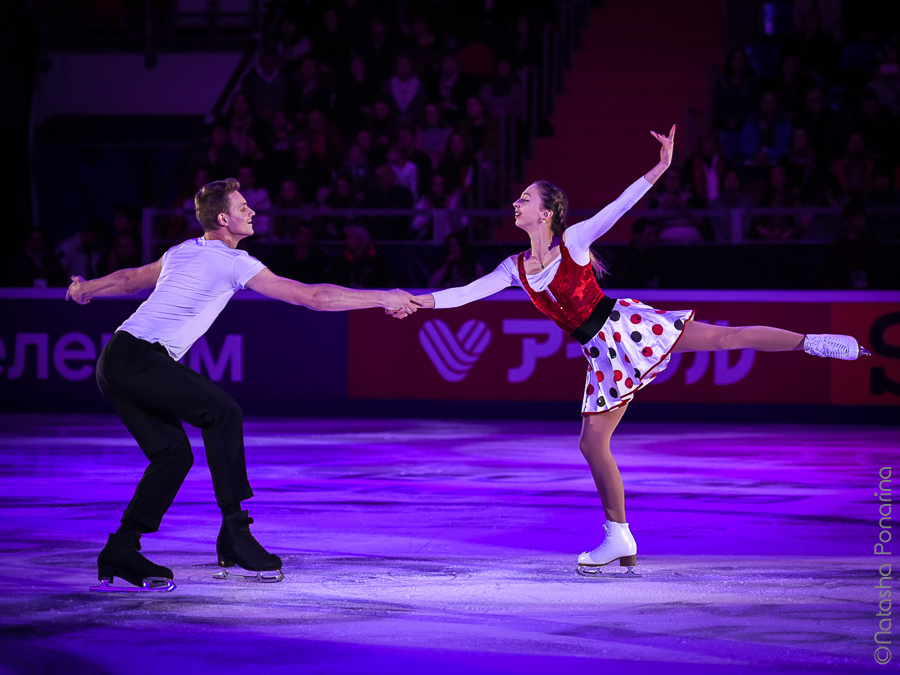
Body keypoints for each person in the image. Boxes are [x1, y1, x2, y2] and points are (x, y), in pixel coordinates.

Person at [404, 126, 870, 576]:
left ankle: (813, 342)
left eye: (525, 198)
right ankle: (620, 538)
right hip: (601, 354)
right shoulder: (515, 267)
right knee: (592, 444)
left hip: (624, 328)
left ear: (546, 213)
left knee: (725, 338)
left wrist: (661, 167)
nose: (515, 203)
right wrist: (418, 302)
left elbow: (620, 206)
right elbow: (465, 293)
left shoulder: (574, 241)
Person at [66, 178, 417, 592]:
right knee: (224, 413)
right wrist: (383, 297)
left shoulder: (183, 250)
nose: (251, 211)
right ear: (222, 218)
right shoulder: (234, 261)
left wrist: (85, 289)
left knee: (173, 455)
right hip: (139, 357)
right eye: (243, 207)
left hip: (115, 360)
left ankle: (121, 547)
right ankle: (235, 531)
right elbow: (312, 297)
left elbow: (130, 280)